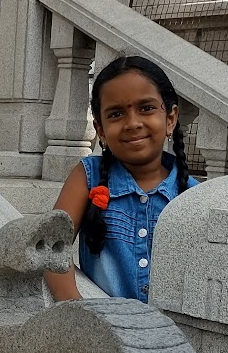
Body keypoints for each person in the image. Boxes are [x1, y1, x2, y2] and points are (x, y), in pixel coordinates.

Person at [44, 55, 197, 305]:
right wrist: (75, 308)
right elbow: (52, 246)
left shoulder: (191, 196)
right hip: (105, 333)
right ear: (101, 130)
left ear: (170, 118)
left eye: (146, 108)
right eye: (116, 114)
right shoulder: (88, 177)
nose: (132, 123)